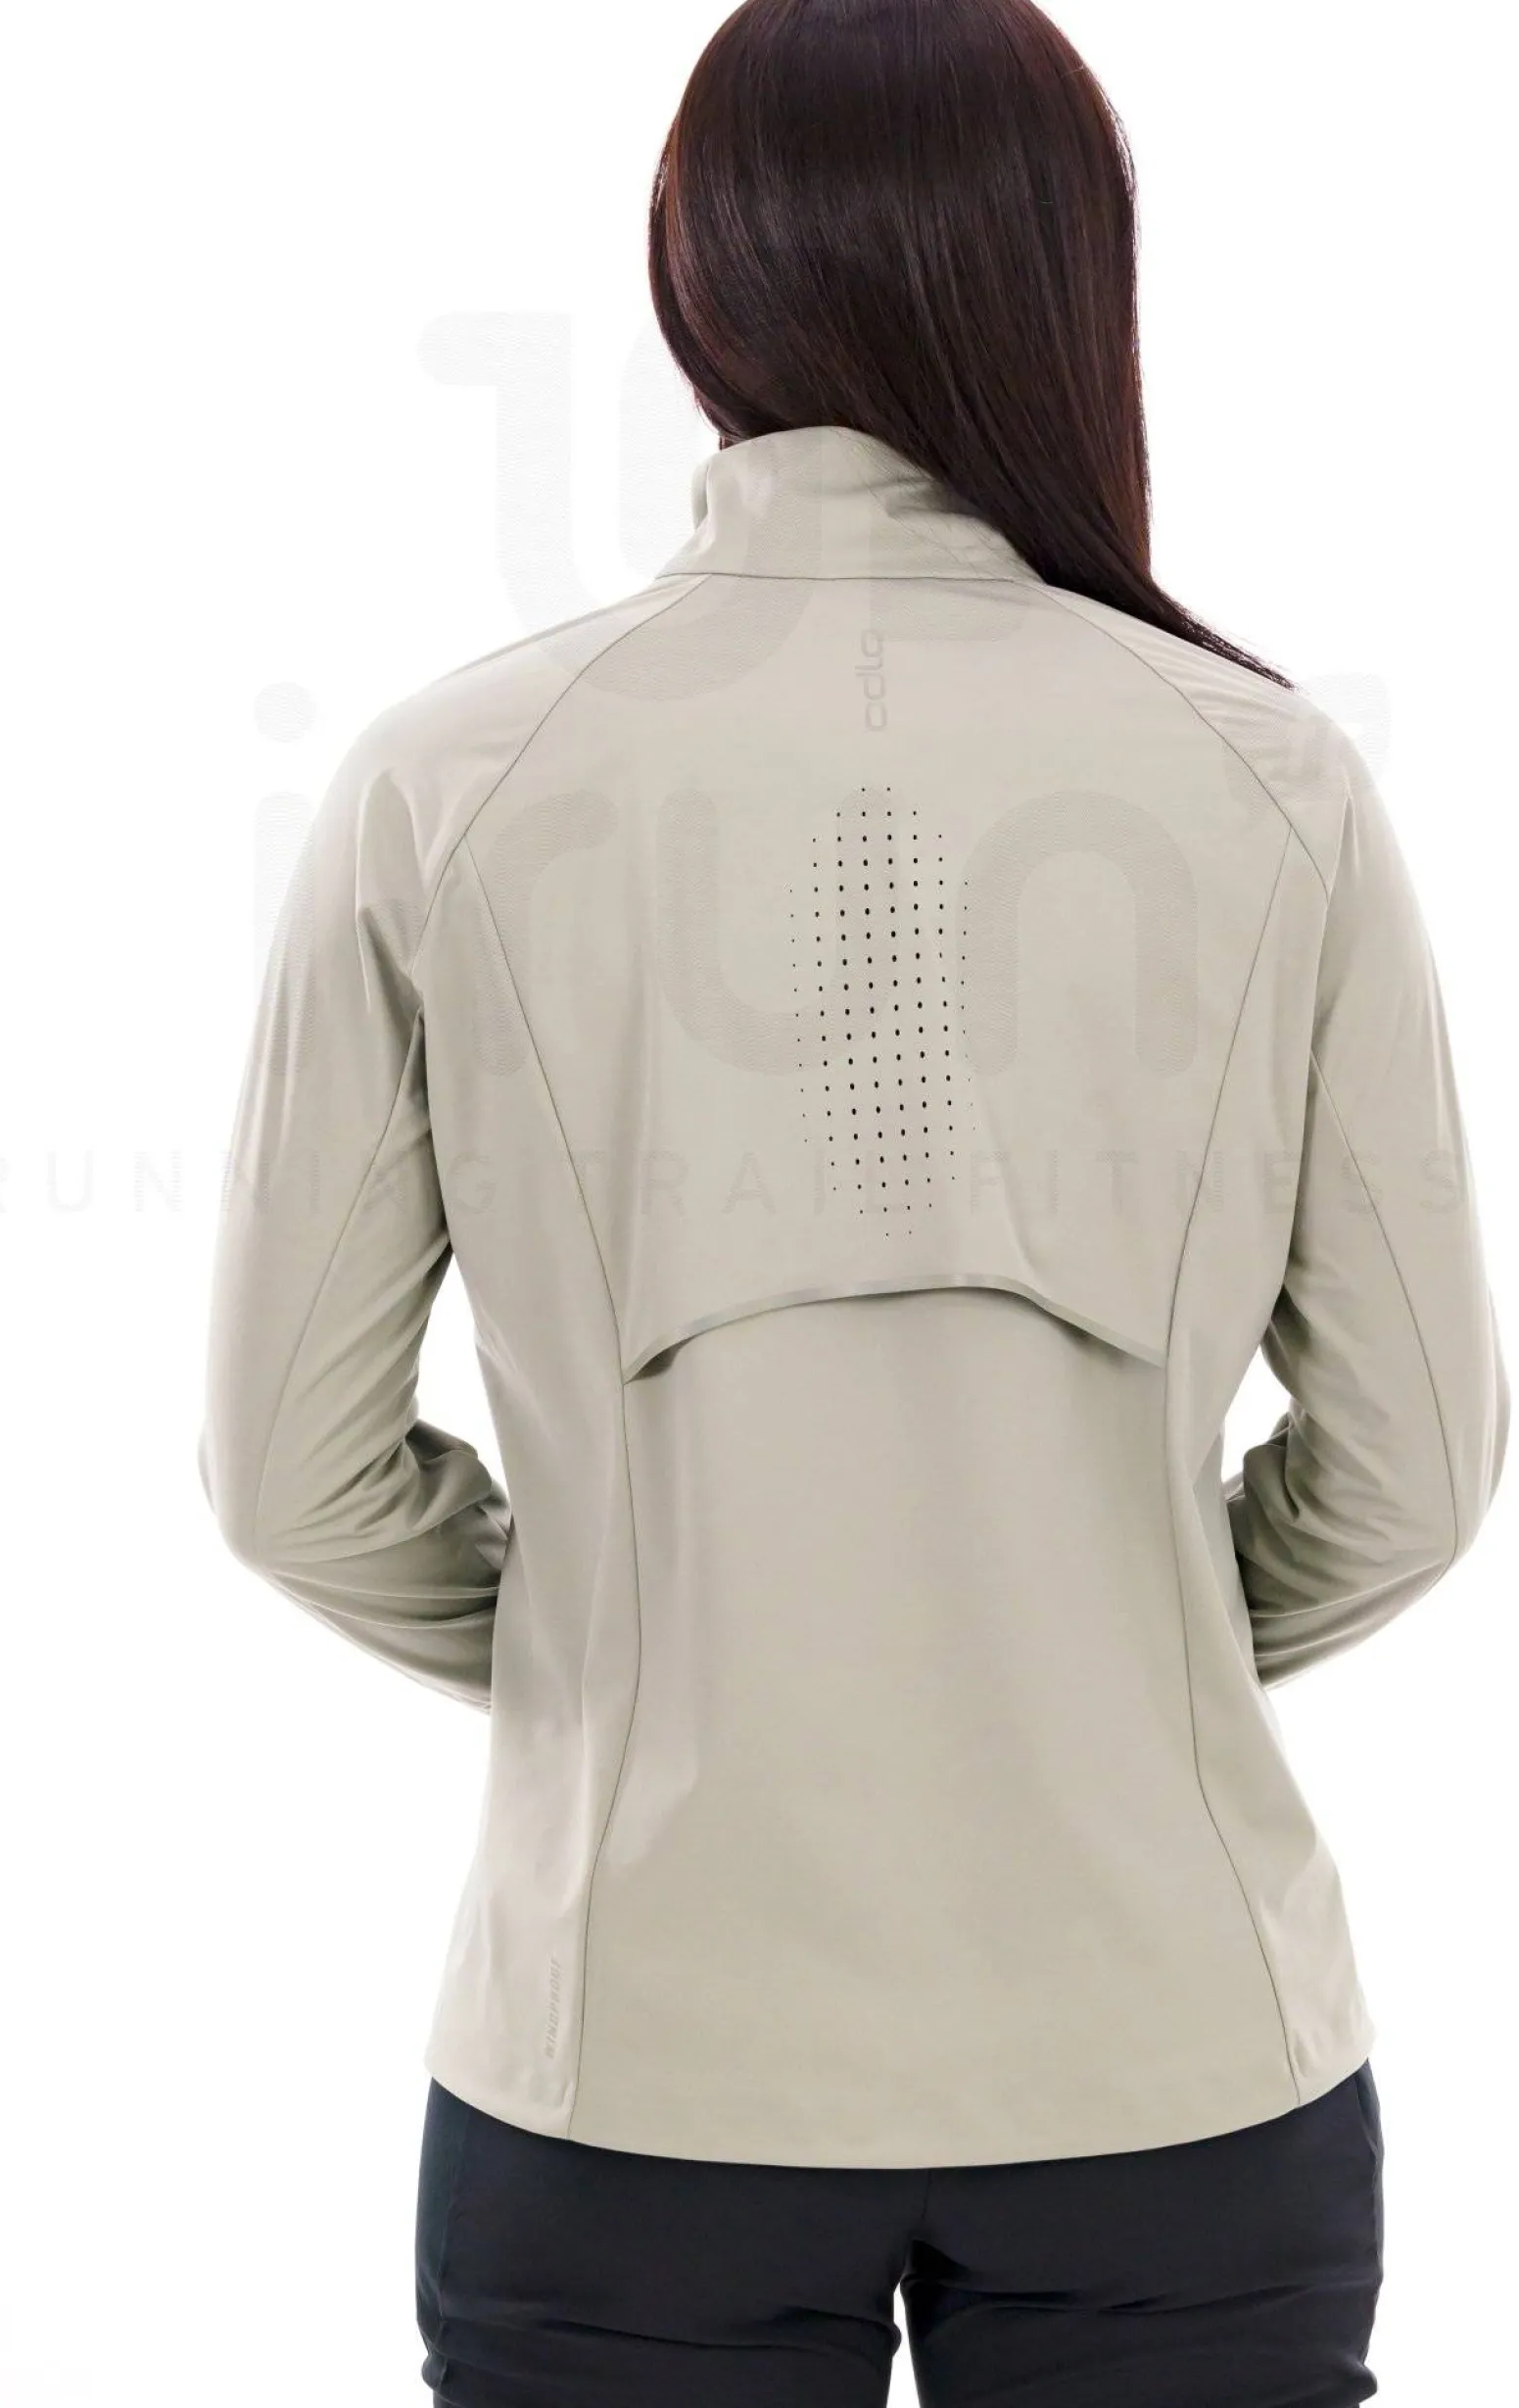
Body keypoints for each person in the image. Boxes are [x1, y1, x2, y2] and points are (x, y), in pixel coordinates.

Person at [198, 2, 1507, 2400]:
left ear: (697, 282)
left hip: (627, 2063)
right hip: (1174, 2053)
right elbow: (1415, 1470)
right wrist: (1100, 1656)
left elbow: (289, 1474)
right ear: (1070, 279)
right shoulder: (1276, 784)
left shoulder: (443, 785)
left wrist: (641, 1664)